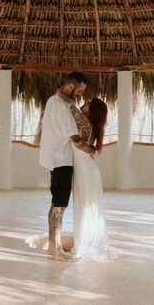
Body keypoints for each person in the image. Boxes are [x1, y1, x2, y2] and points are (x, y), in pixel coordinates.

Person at [37, 71, 95, 261]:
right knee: (60, 206)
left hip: (54, 158)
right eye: (79, 92)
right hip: (61, 159)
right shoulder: (61, 107)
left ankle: (53, 247)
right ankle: (57, 251)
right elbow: (75, 139)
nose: (80, 96)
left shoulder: (53, 101)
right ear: (70, 87)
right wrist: (91, 150)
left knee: (55, 204)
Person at [68, 98, 118, 262]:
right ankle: (86, 240)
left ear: (92, 110)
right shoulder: (89, 124)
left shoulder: (84, 123)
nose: (85, 102)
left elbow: (70, 107)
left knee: (84, 206)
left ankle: (85, 242)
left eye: (89, 102)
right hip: (87, 169)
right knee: (86, 206)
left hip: (85, 170)